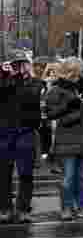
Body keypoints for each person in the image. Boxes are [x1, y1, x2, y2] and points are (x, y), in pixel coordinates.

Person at [46, 59, 83, 220]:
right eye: (70, 72)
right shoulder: (56, 89)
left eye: (76, 72)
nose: (74, 76)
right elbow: (51, 113)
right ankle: (67, 206)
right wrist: (69, 104)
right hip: (67, 138)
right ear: (64, 72)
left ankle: (82, 205)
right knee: (68, 177)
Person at [0, 51, 46, 223]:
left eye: (23, 63)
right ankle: (4, 208)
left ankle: (24, 208)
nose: (19, 67)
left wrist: (22, 78)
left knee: (25, 173)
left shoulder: (35, 83)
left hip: (26, 132)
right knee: (3, 173)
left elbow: (32, 97)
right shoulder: (4, 81)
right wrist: (7, 76)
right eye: (16, 64)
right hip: (4, 133)